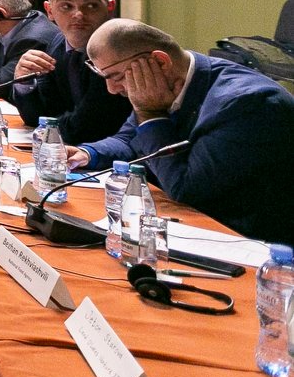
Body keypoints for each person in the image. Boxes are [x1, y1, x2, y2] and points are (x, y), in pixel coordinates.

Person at [68, 19, 294, 244]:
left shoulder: (248, 103)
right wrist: (87, 153)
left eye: (116, 77)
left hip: (251, 241)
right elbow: (131, 138)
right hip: (197, 224)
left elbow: (185, 188)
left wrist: (151, 114)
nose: (111, 89)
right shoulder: (166, 82)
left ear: (160, 61)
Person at [1, 0, 131, 144]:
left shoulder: (119, 52)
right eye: (66, 6)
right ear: (49, 11)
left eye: (91, 5)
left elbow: (87, 127)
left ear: (110, 7)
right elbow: (37, 115)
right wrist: (24, 83)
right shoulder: (58, 43)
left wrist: (44, 128)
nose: (78, 14)